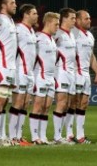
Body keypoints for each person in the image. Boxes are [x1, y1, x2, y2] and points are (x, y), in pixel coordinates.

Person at [8, 4, 39, 146]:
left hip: (30, 73)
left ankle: (19, 136)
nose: (37, 16)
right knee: (18, 102)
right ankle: (12, 136)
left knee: (25, 104)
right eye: (34, 13)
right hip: (19, 70)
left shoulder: (32, 31)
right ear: (26, 14)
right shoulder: (18, 30)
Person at [70, 10, 97, 144]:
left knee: (84, 104)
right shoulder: (72, 34)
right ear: (77, 20)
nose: (89, 20)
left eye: (89, 18)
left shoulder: (89, 36)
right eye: (86, 18)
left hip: (85, 75)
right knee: (73, 103)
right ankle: (69, 135)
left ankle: (80, 136)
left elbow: (91, 56)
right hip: (75, 73)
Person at [0, 0, 18, 146]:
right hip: (1, 67)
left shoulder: (10, 21)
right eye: (12, 3)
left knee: (5, 101)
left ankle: (3, 135)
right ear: (3, 5)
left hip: (10, 68)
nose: (15, 5)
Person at [29, 12, 60, 145]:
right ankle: (35, 137)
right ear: (47, 22)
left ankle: (43, 136)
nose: (57, 27)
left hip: (50, 78)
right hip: (40, 76)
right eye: (56, 24)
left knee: (46, 107)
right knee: (38, 105)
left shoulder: (52, 39)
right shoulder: (38, 38)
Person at [52, 8, 77, 145]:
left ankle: (68, 134)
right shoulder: (58, 34)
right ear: (64, 19)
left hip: (71, 74)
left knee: (69, 104)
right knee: (61, 103)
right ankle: (57, 136)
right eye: (72, 18)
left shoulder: (72, 35)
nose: (74, 20)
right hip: (60, 72)